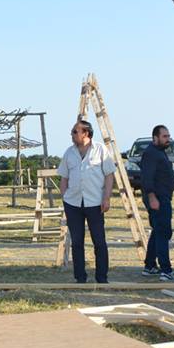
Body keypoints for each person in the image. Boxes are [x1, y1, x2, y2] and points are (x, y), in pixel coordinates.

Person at [57, 119, 115, 283]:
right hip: (73, 203)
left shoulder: (100, 150)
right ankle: (80, 278)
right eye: (72, 131)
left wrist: (106, 198)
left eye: (75, 131)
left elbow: (109, 175)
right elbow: (64, 177)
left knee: (99, 241)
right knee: (77, 242)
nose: (72, 134)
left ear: (86, 133)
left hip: (95, 202)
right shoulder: (69, 153)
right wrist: (65, 198)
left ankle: (101, 278)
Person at [139, 125, 174, 281]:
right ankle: (166, 270)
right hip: (158, 198)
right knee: (163, 232)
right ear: (155, 138)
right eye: (164, 136)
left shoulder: (159, 152)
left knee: (158, 231)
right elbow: (147, 178)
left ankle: (150, 266)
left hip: (162, 197)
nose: (168, 139)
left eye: (168, 136)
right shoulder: (151, 154)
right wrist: (152, 197)